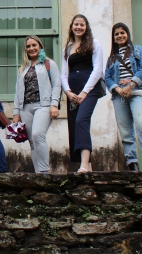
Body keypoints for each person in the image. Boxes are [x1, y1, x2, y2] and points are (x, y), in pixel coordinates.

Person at [105, 22, 142, 172]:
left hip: (137, 93)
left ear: (127, 34)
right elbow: (107, 77)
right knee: (126, 131)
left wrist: (130, 85)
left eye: (122, 33)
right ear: (114, 38)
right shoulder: (112, 58)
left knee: (141, 124)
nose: (120, 36)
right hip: (119, 97)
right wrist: (118, 89)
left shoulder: (139, 51)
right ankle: (132, 163)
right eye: (117, 34)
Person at [61, 14, 104, 173]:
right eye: (76, 24)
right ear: (72, 27)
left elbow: (98, 69)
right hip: (73, 91)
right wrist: (68, 92)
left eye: (82, 25)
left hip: (90, 89)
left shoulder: (94, 44)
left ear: (86, 27)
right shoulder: (66, 49)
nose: (79, 27)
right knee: (75, 125)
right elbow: (63, 74)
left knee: (81, 120)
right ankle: (89, 166)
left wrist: (85, 92)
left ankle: (84, 166)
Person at [12, 36, 61, 174]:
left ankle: (44, 172)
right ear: (25, 50)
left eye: (34, 45)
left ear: (40, 46)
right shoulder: (23, 68)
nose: (31, 48)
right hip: (25, 107)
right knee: (32, 142)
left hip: (44, 105)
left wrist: (54, 104)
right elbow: (17, 91)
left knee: (38, 134)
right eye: (28, 46)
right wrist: (16, 113)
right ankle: (37, 173)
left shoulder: (49, 64)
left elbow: (57, 85)